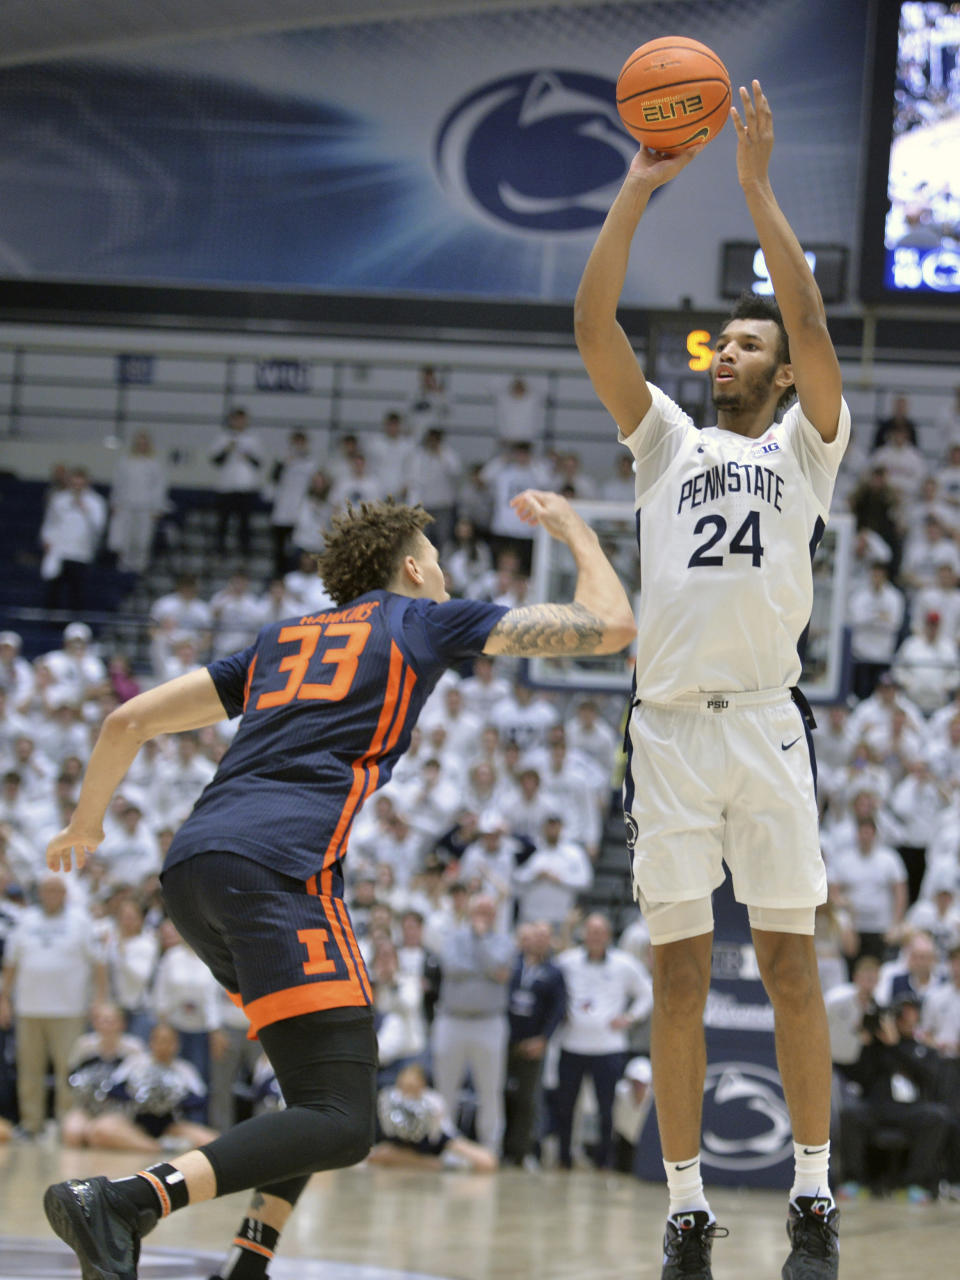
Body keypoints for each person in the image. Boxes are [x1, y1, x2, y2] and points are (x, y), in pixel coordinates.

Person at [40, 488, 635, 1280]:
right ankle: (126, 1201)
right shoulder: (420, 620)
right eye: (441, 560)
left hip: (193, 871)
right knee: (346, 1118)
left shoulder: (280, 641)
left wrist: (86, 827)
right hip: (279, 871)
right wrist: (573, 531)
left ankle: (251, 1260)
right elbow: (612, 627)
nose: (448, 573)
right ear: (416, 568)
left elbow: (125, 723)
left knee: (317, 1091)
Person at [574, 81, 847, 1277]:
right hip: (671, 735)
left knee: (790, 964)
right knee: (677, 977)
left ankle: (814, 1198)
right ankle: (686, 1205)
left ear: (781, 377)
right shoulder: (665, 444)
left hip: (768, 730)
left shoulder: (805, 443)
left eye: (748, 343)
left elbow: (815, 323)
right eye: (720, 342)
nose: (727, 349)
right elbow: (594, 325)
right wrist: (639, 187)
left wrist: (753, 190)